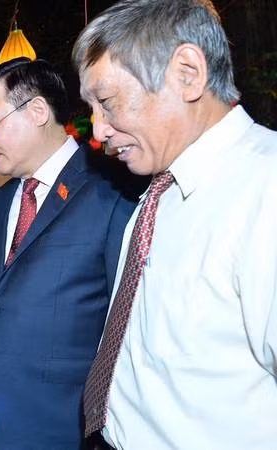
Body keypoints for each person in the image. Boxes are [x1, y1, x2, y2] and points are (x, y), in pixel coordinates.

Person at [73, 1, 277, 448]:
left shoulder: (266, 191)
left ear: (187, 73)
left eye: (106, 102)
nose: (99, 130)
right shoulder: (161, 187)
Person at [0, 58, 138, 449]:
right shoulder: (2, 200)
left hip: (63, 422)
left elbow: (126, 321)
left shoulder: (113, 190)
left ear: (37, 111)